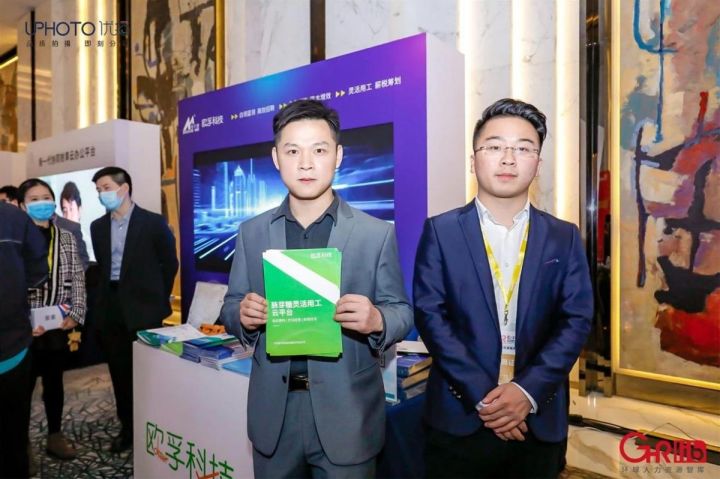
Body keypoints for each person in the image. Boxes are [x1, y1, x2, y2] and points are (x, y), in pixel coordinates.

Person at [221, 99, 413, 478]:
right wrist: (241, 314)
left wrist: (377, 319)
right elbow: (230, 305)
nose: (305, 164)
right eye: (293, 151)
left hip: (348, 413)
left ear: (338, 156)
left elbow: (401, 312)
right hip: (274, 414)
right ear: (276, 158)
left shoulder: (375, 234)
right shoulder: (252, 232)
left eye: (319, 150)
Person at [414, 98, 593, 479]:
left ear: (538, 164)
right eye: (494, 146)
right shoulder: (441, 231)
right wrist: (486, 398)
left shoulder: (563, 236)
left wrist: (526, 392)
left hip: (537, 418)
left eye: (523, 148)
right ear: (474, 159)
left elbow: (576, 319)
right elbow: (431, 315)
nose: (508, 159)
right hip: (459, 418)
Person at [90, 166, 178, 453]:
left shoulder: (152, 223)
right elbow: (103, 268)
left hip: (144, 309)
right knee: (119, 373)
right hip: (111, 308)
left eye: (105, 188)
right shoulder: (97, 227)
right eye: (98, 190)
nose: (101, 194)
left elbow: (170, 263)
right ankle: (127, 427)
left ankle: (155, 426)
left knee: (148, 373)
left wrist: (157, 299)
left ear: (124, 187)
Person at [17, 178, 87, 461]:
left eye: (46, 197)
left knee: (54, 382)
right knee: (21, 387)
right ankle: (20, 443)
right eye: (34, 199)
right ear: (22, 205)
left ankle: (55, 435)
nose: (42, 203)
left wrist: (76, 313)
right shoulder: (15, 239)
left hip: (58, 323)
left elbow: (78, 278)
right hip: (24, 326)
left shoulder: (66, 236)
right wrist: (21, 320)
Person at [0, 201, 47, 478]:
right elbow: (38, 273)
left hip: (13, 345)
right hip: (13, 345)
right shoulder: (15, 218)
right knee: (14, 431)